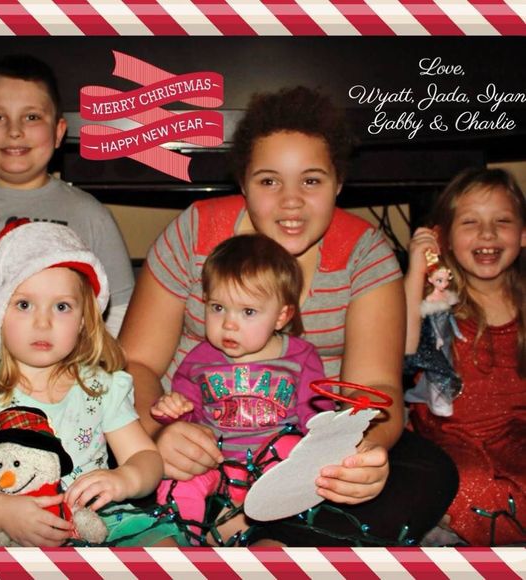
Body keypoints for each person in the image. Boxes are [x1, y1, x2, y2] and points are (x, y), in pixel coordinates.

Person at [120, 86, 459, 545]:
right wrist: (157, 433)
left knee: (429, 471)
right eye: (269, 181)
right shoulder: (194, 233)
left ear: (339, 183)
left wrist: (363, 456)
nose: (291, 201)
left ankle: (270, 541)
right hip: (197, 443)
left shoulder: (366, 255)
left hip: (304, 455)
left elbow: (376, 387)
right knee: (116, 465)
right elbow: (135, 362)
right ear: (243, 183)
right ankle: (262, 537)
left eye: (312, 181)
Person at [0, 220, 182, 547]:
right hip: (4, 527)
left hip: (96, 520)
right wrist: (2, 512)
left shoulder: (101, 388)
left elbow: (145, 456)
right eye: (24, 304)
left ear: (83, 320)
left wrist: (125, 478)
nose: (43, 322)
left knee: (166, 552)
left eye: (61, 306)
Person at [0, 54, 134, 386]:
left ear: (58, 132)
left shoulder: (90, 215)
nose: (14, 131)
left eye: (31, 117)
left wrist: (92, 375)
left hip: (55, 397)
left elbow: (121, 310)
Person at [150, 234, 326, 542]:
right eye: (218, 307)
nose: (229, 324)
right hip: (215, 464)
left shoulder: (301, 358)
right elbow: (188, 420)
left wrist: (327, 440)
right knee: (177, 481)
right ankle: (183, 542)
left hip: (273, 470)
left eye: (248, 312)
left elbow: (316, 414)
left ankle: (272, 533)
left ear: (281, 316)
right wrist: (173, 412)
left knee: (291, 447)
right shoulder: (199, 360)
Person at [405, 167, 526, 545]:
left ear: (523, 234)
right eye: (471, 222)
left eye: (502, 222)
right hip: (448, 437)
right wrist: (416, 271)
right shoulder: (438, 303)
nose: (487, 234)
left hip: (514, 435)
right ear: (443, 238)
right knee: (466, 482)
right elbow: (403, 347)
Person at [404, 252, 466, 417]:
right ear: (431, 280)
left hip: (446, 338)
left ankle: (437, 398)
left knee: (447, 364)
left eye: (446, 280)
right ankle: (439, 400)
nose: (444, 284)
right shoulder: (430, 301)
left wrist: (457, 333)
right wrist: (437, 337)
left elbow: (450, 319)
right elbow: (432, 323)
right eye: (439, 280)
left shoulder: (447, 297)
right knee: (438, 369)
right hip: (433, 340)